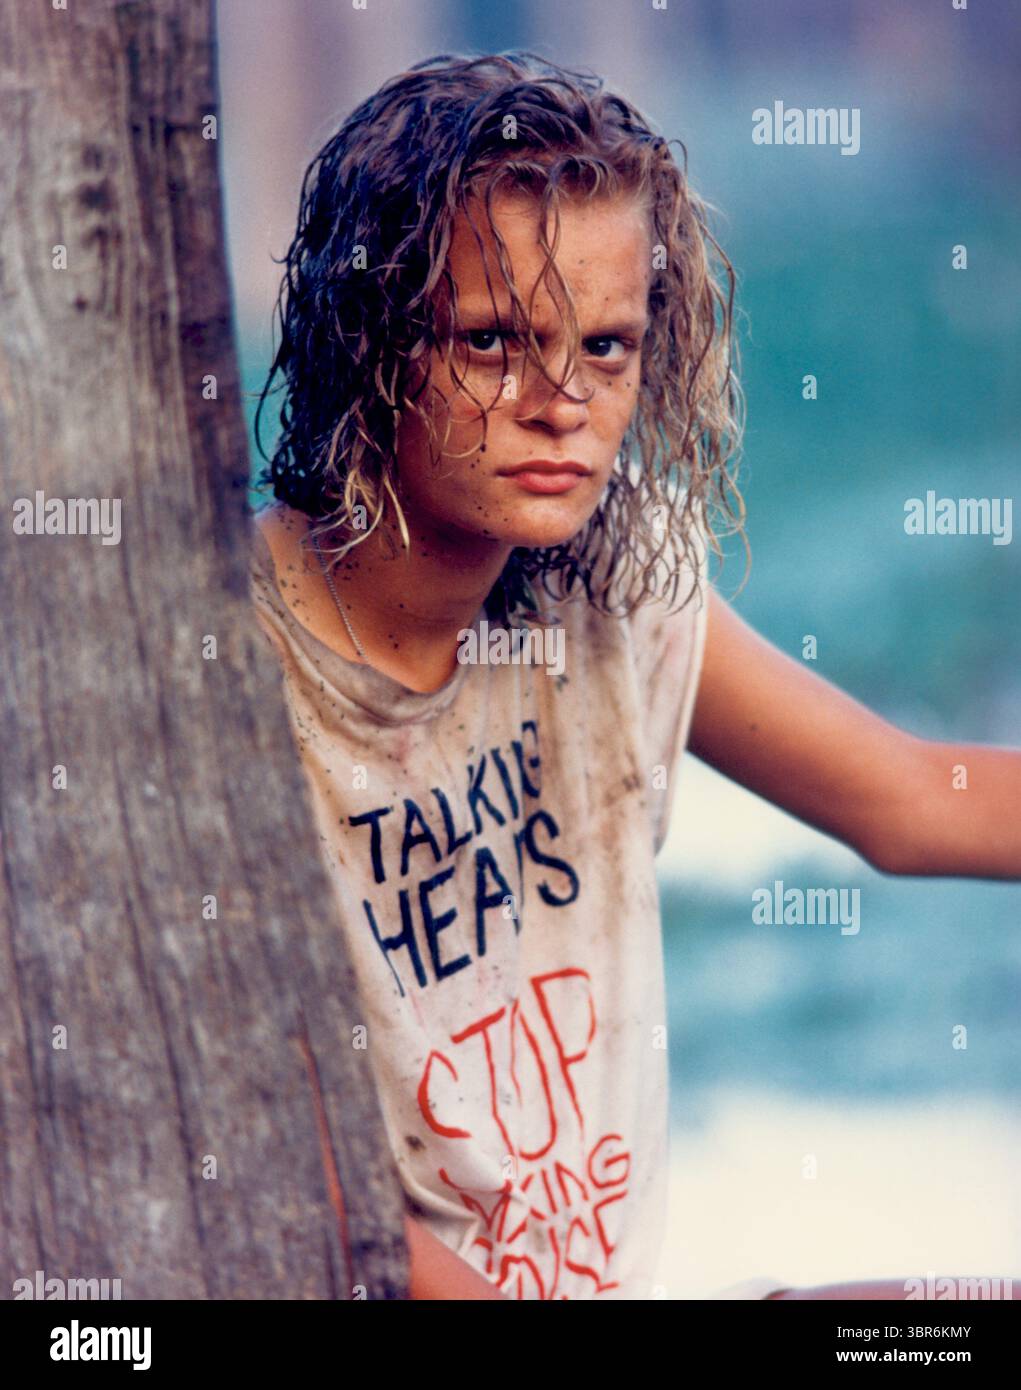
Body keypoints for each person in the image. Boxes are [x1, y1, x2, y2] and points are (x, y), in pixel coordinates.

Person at [248, 52, 1019, 1300]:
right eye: (493, 342)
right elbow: (296, 1195)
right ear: (364, 336)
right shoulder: (232, 678)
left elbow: (912, 799)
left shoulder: (610, 586)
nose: (563, 402)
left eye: (605, 347)